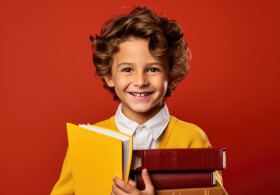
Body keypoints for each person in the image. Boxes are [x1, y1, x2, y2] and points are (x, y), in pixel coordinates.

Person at [51, 7, 227, 195]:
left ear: (172, 75)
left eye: (153, 69)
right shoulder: (86, 143)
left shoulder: (192, 138)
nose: (141, 81)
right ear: (109, 76)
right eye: (127, 69)